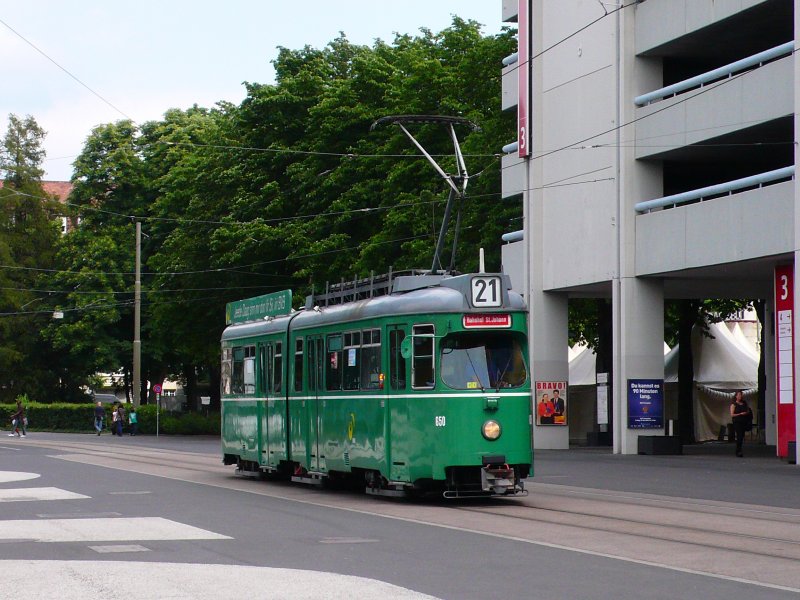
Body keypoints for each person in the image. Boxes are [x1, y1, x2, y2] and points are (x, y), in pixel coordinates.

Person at [730, 390, 752, 457]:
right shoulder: (734, 404)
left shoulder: (744, 403)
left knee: (741, 436)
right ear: (736, 396)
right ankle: (738, 450)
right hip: (737, 421)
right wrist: (740, 414)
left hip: (744, 421)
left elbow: (748, 410)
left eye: (741, 395)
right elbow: (732, 414)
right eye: (739, 395)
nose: (740, 396)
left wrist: (746, 413)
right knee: (739, 435)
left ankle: (739, 449)